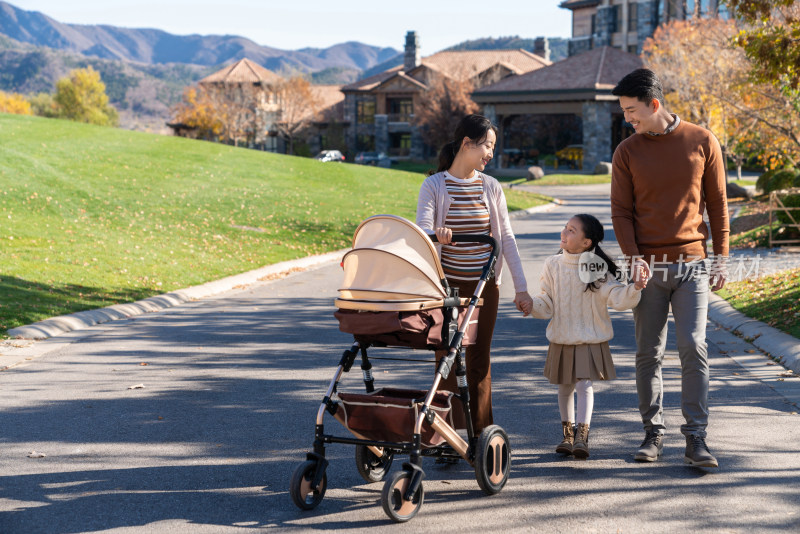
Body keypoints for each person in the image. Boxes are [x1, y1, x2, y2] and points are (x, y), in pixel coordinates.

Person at [610, 68, 729, 468]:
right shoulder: (627, 152)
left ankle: (696, 438)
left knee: (693, 346)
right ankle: (653, 433)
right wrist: (634, 258)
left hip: (692, 264)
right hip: (648, 269)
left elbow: (718, 204)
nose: (628, 119)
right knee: (648, 352)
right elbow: (621, 212)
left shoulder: (701, 141)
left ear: (654, 104)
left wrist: (722, 256)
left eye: (632, 111)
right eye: (624, 111)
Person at [416, 113, 533, 434]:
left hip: (483, 288)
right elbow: (422, 226)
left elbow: (506, 237)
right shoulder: (434, 185)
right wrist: (434, 232)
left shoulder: (491, 187)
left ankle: (481, 434)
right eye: (487, 146)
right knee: (447, 358)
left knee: (479, 360)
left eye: (493, 147)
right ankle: (448, 433)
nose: (491, 154)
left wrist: (520, 289)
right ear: (466, 144)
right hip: (446, 288)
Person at [528, 214, 645, 459]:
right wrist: (530, 305)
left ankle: (583, 436)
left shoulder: (595, 267)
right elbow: (547, 302)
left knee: (584, 384)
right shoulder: (552, 264)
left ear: (586, 242)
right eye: (565, 227)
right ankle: (567, 435)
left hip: (589, 337)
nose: (565, 232)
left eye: (572, 230)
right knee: (564, 386)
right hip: (562, 336)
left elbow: (615, 296)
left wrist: (635, 288)